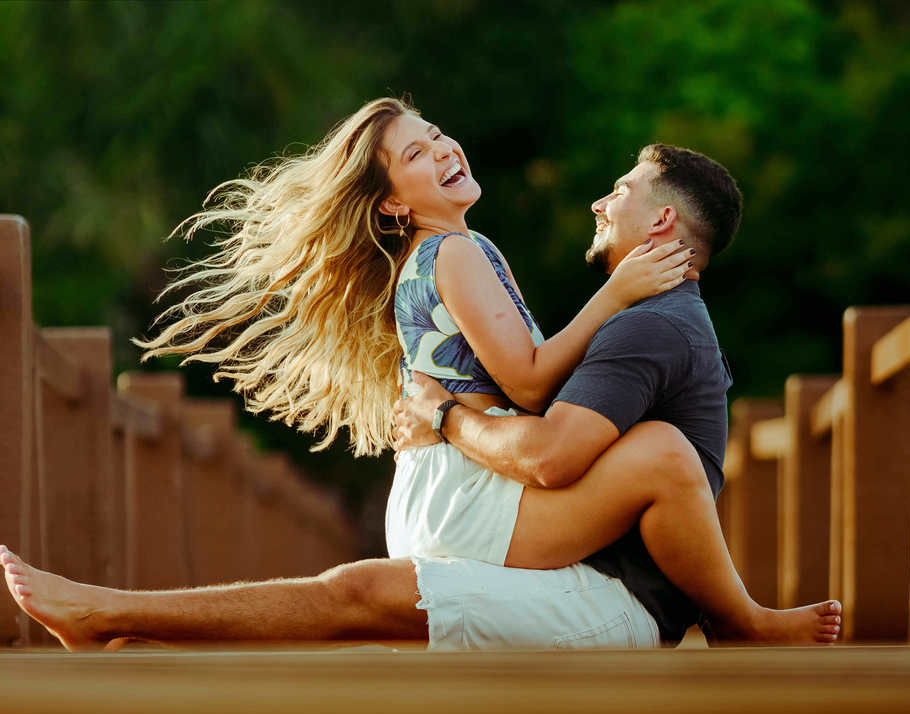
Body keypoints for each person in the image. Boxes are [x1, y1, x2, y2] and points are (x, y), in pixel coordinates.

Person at [0, 98, 840, 650]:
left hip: (455, 484)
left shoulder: (449, 252)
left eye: (438, 135)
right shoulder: (458, 250)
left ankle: (112, 613)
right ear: (394, 202)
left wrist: (445, 411)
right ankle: (111, 612)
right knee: (658, 453)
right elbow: (534, 386)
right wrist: (613, 292)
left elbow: (524, 396)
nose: (443, 148)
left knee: (653, 456)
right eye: (416, 154)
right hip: (467, 490)